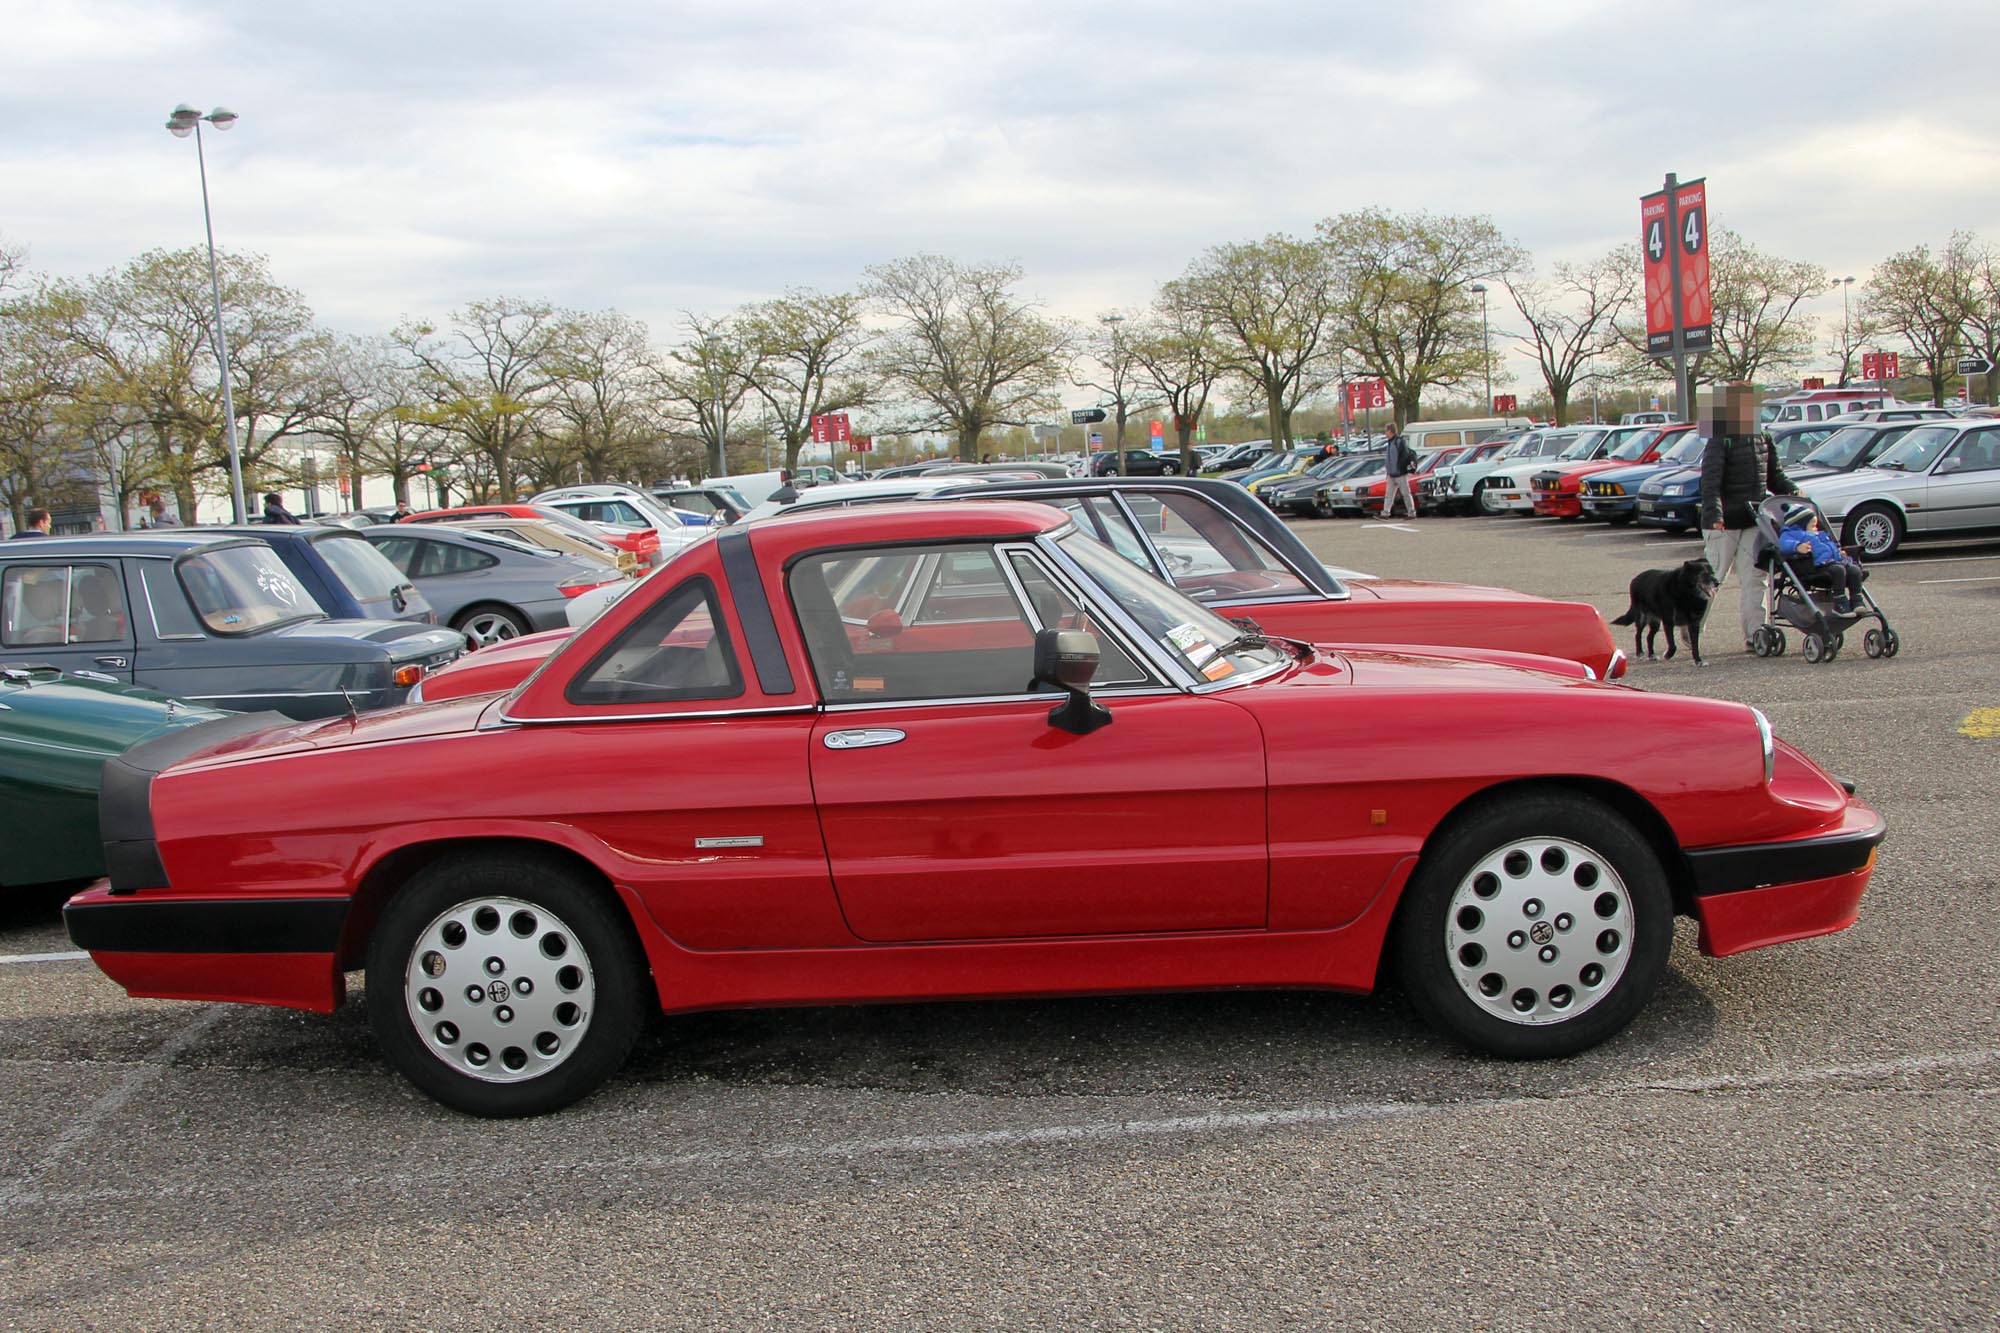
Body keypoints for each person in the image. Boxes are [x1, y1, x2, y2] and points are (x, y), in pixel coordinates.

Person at [1699, 383, 1799, 651]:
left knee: (1756, 579)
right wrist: (1715, 516)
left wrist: (1794, 492)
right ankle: (1693, 631)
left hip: (1753, 519)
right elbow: (1709, 482)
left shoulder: (1762, 437)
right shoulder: (1720, 438)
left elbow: (1775, 477)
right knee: (1712, 578)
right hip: (1724, 523)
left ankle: (1756, 634)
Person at [1776, 503, 1866, 614]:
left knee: (1855, 570)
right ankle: (1840, 602)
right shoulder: (1792, 534)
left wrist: (1839, 553)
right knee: (1838, 570)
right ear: (1801, 524)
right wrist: (1797, 546)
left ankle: (1857, 600)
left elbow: (1831, 546)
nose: (1816, 528)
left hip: (1834, 561)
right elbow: (1784, 545)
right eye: (1812, 526)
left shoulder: (1819, 535)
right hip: (1816, 566)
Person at [1379, 424, 1416, 521]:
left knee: (1406, 493)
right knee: (1389, 494)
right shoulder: (1390, 443)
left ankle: (1411, 512)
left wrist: (1402, 467)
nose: (1385, 433)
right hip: (1392, 473)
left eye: (1386, 431)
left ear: (1391, 431)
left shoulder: (1399, 442)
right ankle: (1385, 512)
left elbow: (1405, 455)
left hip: (1400, 473)